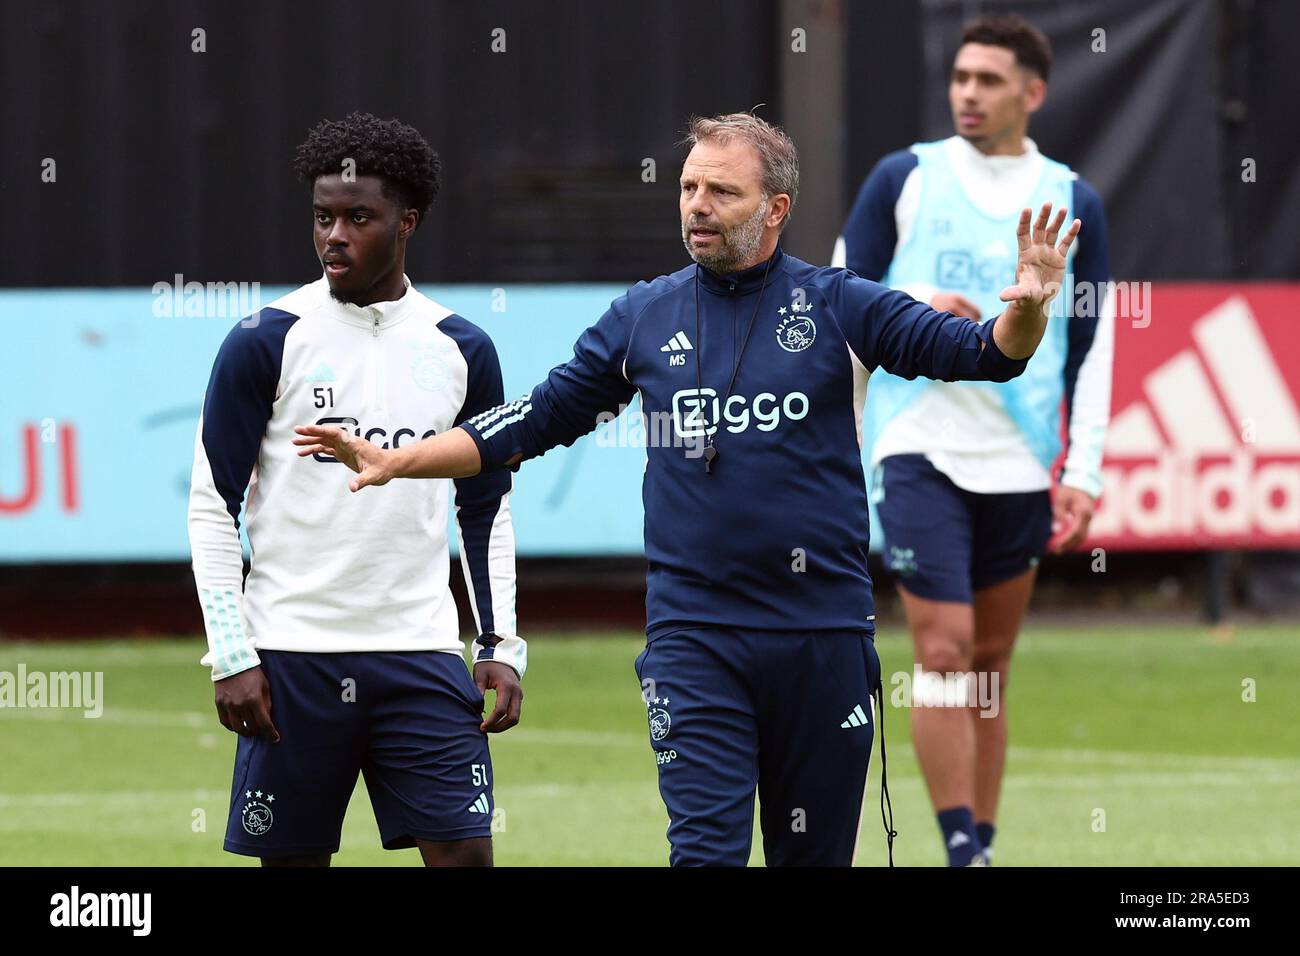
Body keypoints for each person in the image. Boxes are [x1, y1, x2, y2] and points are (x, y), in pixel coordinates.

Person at [295, 112, 1079, 866]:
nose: (697, 206)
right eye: (687, 188)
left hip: (824, 637)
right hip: (694, 638)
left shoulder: (841, 304)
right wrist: (402, 460)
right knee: (704, 853)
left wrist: (1031, 314)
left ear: (775, 209)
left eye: (721, 192)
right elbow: (536, 418)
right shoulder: (644, 313)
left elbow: (983, 353)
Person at [187, 112, 523, 867]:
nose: (334, 235)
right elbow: (214, 506)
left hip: (420, 653)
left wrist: (500, 643)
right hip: (291, 657)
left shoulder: (463, 347)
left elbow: (487, 505)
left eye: (357, 218)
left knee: (468, 858)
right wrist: (232, 653)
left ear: (407, 222)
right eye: (322, 217)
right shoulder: (263, 340)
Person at [833, 14, 1113, 866]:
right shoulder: (905, 177)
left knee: (990, 662)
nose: (968, 92)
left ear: (1033, 93)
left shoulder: (1073, 198)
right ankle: (961, 847)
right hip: (917, 443)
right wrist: (913, 300)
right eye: (960, 77)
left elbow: (1097, 344)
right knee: (944, 649)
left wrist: (1084, 467)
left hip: (1021, 456)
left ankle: (981, 843)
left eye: (989, 80)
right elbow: (837, 300)